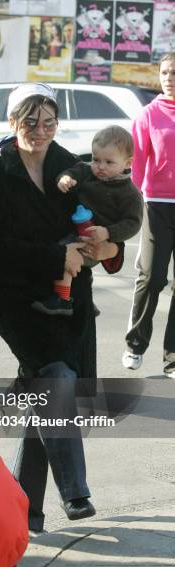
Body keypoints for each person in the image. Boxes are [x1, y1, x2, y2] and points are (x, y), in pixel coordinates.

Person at [0, 83, 123, 532]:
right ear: (13, 121)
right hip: (17, 299)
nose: (39, 131)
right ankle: (76, 493)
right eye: (29, 121)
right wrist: (58, 256)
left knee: (49, 395)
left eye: (48, 122)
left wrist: (109, 246)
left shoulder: (75, 170)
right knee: (55, 379)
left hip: (70, 299)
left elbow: (108, 217)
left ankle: (22, 511)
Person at [32, 125, 143, 316]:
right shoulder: (88, 172)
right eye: (95, 159)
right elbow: (74, 171)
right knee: (69, 262)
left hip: (98, 240)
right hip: (78, 230)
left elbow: (133, 223)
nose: (100, 166)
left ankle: (62, 300)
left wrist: (108, 232)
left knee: (63, 257)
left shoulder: (129, 193)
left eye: (109, 162)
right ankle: (84, 302)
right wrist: (65, 178)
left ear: (128, 163)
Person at [122, 53, 175, 376]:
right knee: (152, 277)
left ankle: (173, 358)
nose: (170, 77)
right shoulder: (148, 115)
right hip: (156, 204)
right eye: (166, 72)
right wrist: (134, 201)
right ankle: (135, 344)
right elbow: (137, 164)